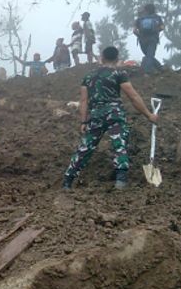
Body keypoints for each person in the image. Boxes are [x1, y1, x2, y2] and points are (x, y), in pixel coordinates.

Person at [62, 47, 159, 190]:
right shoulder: (119, 74)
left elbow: (84, 101)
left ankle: (68, 180)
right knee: (119, 144)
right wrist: (149, 115)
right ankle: (121, 180)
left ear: (102, 57)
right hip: (114, 114)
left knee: (85, 147)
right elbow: (133, 96)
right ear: (117, 58)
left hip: (95, 115)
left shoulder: (89, 76)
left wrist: (84, 121)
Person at [134, 3, 164, 74]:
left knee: (148, 56)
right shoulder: (157, 17)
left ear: (145, 10)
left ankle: (159, 68)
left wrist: (140, 36)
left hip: (142, 39)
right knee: (149, 56)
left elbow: (134, 31)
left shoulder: (140, 18)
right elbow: (162, 27)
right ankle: (148, 72)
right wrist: (156, 30)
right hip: (153, 39)